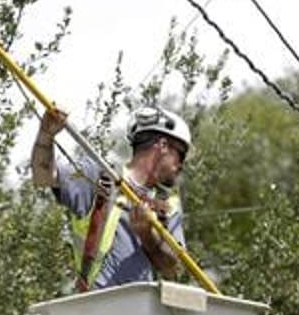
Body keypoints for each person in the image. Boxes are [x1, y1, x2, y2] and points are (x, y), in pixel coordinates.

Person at [31, 105, 190, 291]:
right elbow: (43, 177)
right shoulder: (100, 175)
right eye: (181, 155)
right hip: (94, 304)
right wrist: (45, 135)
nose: (181, 166)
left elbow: (172, 268)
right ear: (162, 146)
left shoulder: (168, 204)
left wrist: (148, 235)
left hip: (141, 309)